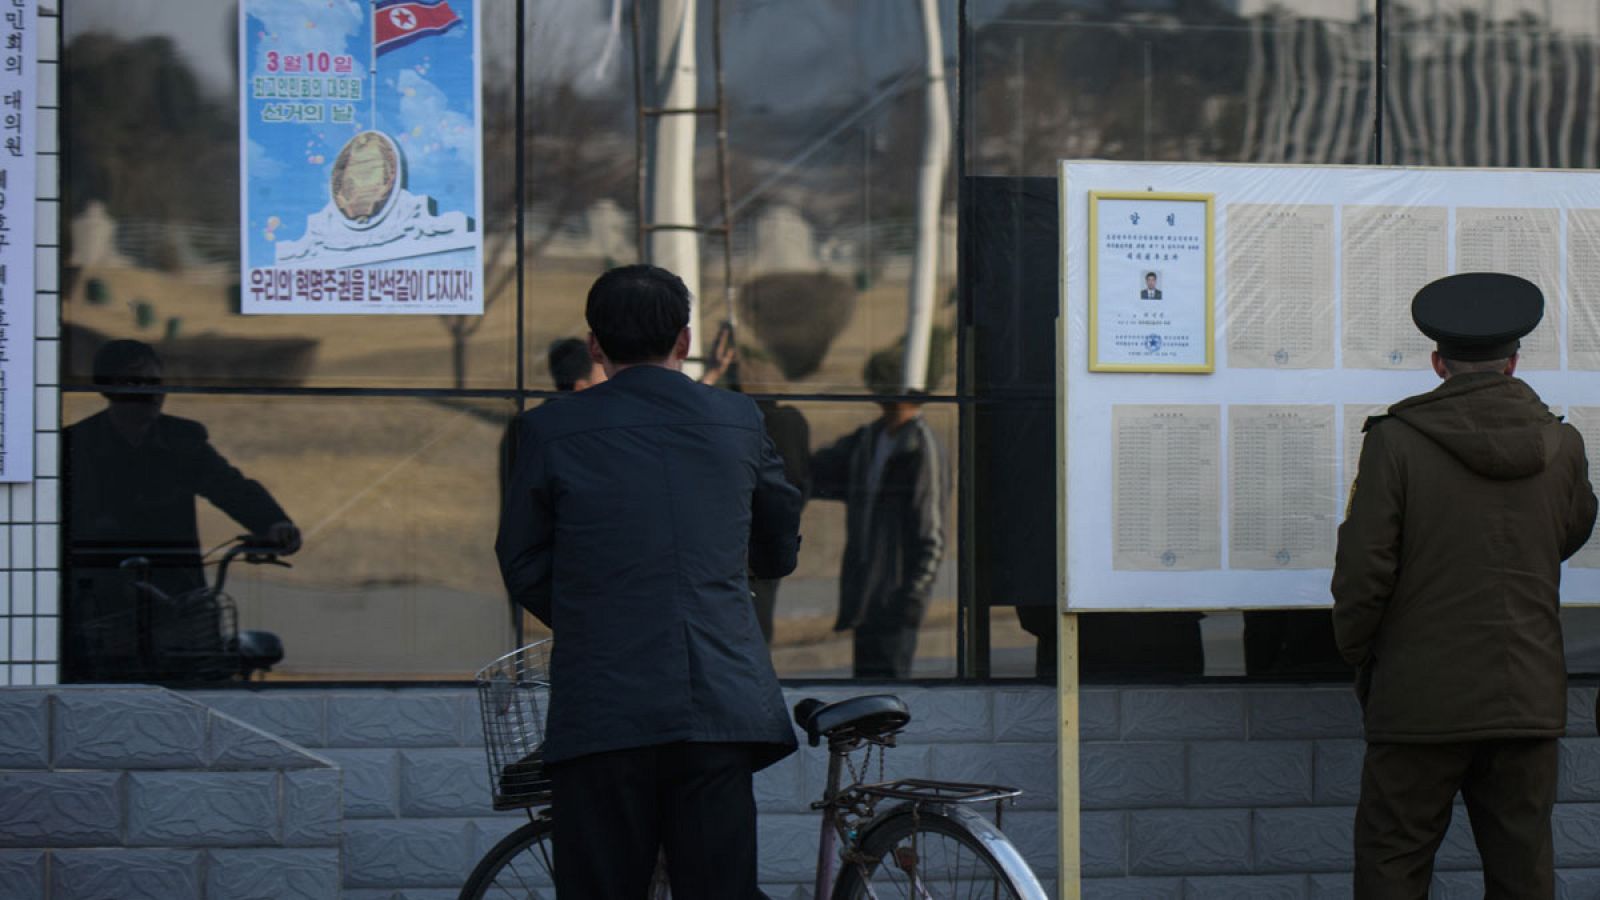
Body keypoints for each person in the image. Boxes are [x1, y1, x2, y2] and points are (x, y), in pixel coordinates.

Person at [496, 264, 802, 899]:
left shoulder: (549, 429)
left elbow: (521, 558)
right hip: (717, 702)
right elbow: (778, 537)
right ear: (684, 341)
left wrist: (595, 615)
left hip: (604, 707)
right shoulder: (738, 419)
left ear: (595, 345)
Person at [1332, 272, 1597, 899]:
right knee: (1522, 869)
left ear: (1437, 363)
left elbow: (1364, 571)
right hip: (1526, 694)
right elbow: (1570, 530)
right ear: (1513, 362)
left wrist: (1364, 656)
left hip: (1419, 698)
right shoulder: (1561, 445)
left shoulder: (1394, 442)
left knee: (1393, 861)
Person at [64, 339, 300, 680]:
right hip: (105, 596)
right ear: (107, 389)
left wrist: (273, 523)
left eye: (156, 384)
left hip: (178, 591)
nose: (150, 394)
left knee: (196, 672)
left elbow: (229, 486)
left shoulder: (181, 439)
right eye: (134, 384)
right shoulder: (79, 444)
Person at [811, 347, 946, 678]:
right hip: (866, 595)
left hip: (894, 599)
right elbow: (821, 470)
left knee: (889, 692)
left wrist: (911, 601)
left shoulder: (921, 447)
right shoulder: (870, 438)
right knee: (866, 690)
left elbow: (932, 533)